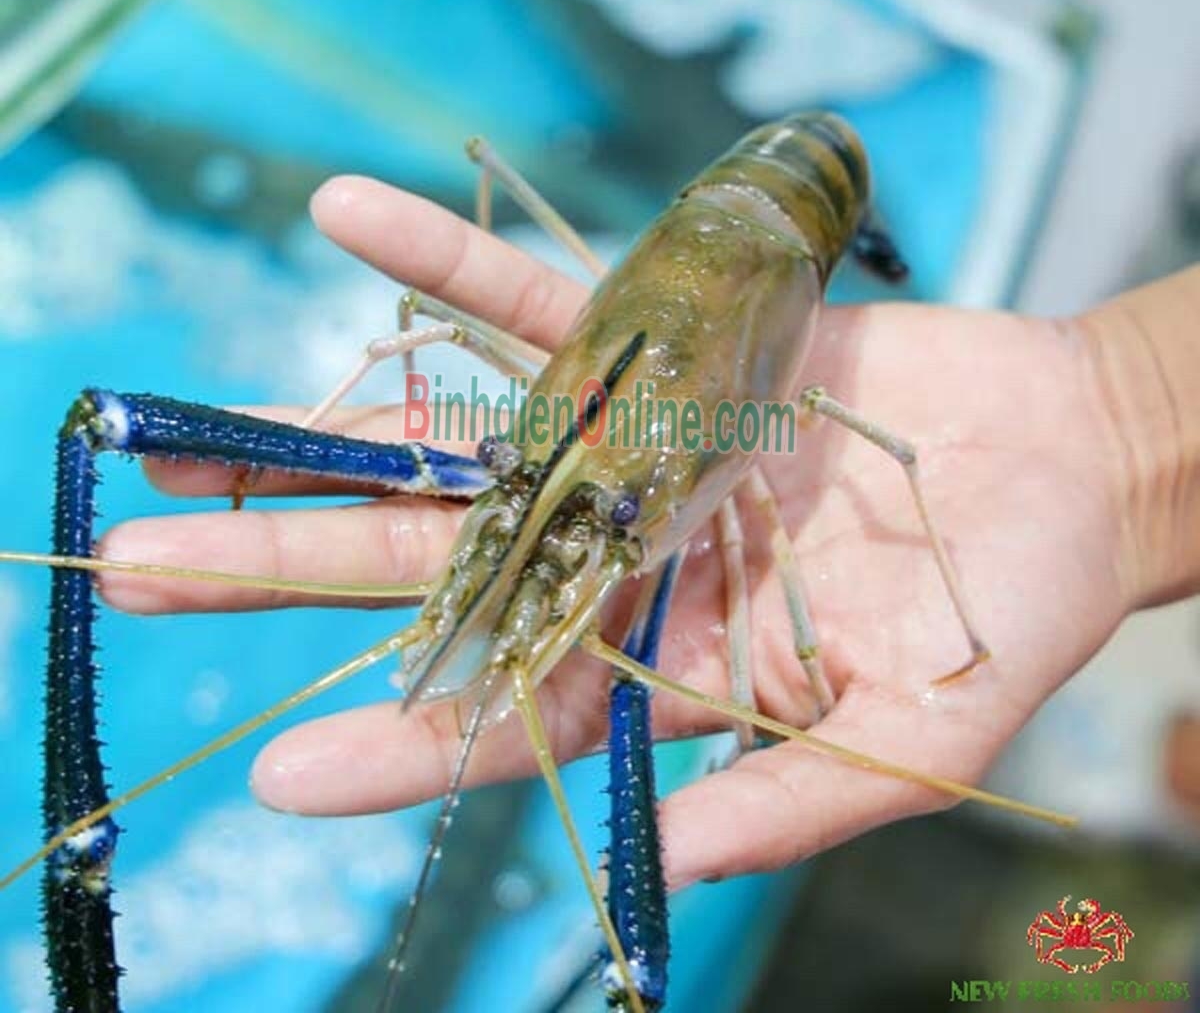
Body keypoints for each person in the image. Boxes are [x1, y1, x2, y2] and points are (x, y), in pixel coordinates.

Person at [101, 175, 1200, 892]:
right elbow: (417, 341)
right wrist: (1117, 409)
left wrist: (1116, 426)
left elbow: (871, 466)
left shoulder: (762, 457)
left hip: (799, 200)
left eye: (623, 514)